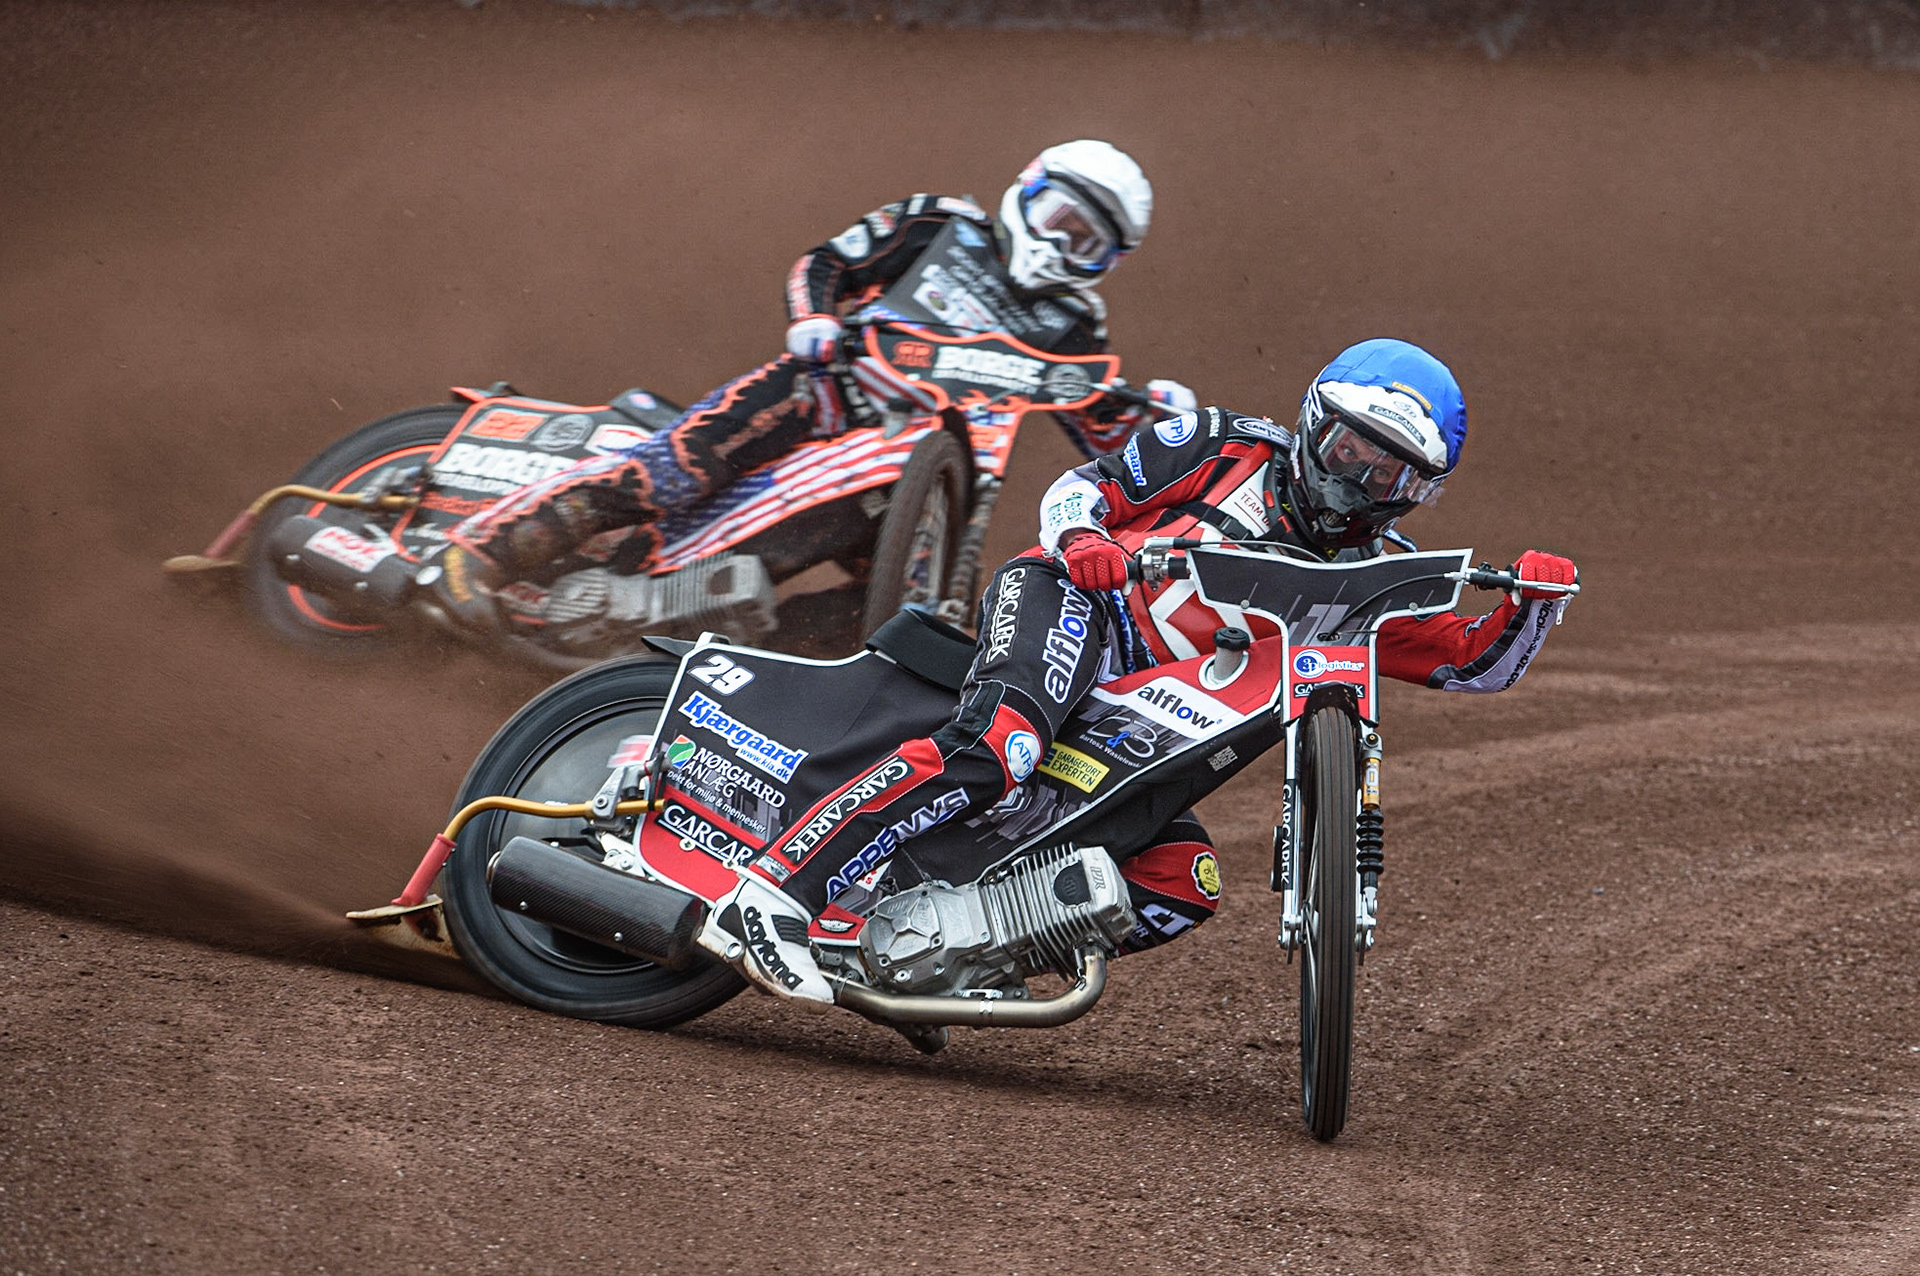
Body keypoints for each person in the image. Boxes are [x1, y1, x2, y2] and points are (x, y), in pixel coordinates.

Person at [699, 337, 1581, 1006]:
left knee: (1182, 883)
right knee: (1004, 744)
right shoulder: (1222, 445)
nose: (1360, 481)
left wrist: (1534, 604)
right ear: (1317, 423)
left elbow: (1475, 666)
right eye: (1353, 450)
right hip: (1076, 607)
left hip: (1144, 726)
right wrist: (1084, 539)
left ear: (1419, 491)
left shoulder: (1376, 581)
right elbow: (1079, 489)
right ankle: (773, 894)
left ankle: (947, 957)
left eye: (1391, 473)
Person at [424, 139, 1194, 629]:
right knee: (672, 472)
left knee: (897, 614)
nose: (1061, 245)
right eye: (1059, 218)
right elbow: (829, 262)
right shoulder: (941, 224)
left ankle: (731, 664)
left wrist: (1157, 421)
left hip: (919, 469)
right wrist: (816, 318)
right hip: (824, 389)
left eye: (1086, 243)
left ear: (1109, 263)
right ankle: (479, 552)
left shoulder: (1074, 323)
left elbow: (1095, 418)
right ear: (1026, 191)